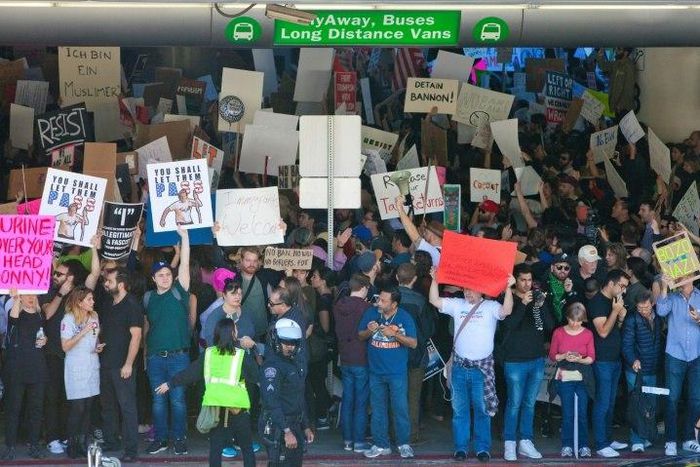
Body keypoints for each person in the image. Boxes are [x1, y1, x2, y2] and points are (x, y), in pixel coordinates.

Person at [429, 272, 515, 462]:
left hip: (481, 370)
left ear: (482, 291)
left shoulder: (491, 307)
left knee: (482, 411)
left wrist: (508, 287)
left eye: (472, 290)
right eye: (466, 289)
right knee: (460, 411)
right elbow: (434, 300)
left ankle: (482, 448)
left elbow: (506, 311)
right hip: (459, 367)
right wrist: (435, 279)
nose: (468, 293)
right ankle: (461, 448)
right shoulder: (457, 305)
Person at [156, 318, 257, 467]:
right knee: (247, 448)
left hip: (215, 408)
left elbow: (191, 373)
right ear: (233, 334)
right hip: (237, 408)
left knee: (215, 449)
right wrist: (253, 348)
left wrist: (170, 383)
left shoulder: (208, 354)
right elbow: (255, 375)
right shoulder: (241, 355)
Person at [500, 263, 554, 461]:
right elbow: (509, 325)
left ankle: (526, 441)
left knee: (530, 403)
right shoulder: (508, 298)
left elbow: (550, 326)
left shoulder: (537, 299)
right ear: (515, 281)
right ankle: (509, 442)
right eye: (522, 280)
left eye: (530, 280)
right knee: (514, 403)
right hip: (514, 360)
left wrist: (540, 306)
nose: (527, 284)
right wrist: (522, 303)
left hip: (537, 359)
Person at [144, 227, 191, 456]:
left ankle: (179, 438)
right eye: (160, 275)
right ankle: (161, 439)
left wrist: (185, 238)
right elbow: (146, 329)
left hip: (178, 357)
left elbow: (184, 265)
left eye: (168, 274)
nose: (165, 277)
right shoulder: (148, 298)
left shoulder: (179, 291)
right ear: (153, 278)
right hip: (155, 358)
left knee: (178, 400)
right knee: (158, 401)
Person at [358, 285, 417, 459]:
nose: (379, 303)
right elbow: (360, 336)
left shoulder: (405, 317)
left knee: (400, 409)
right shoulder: (371, 313)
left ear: (394, 304)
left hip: (397, 372)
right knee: (378, 409)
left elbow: (413, 343)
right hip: (375, 371)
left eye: (383, 301)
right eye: (379, 299)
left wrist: (394, 334)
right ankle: (381, 444)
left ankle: (403, 444)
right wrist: (370, 330)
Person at [97, 267, 144, 462]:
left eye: (109, 281)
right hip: (106, 362)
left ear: (121, 284)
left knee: (127, 407)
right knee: (107, 406)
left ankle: (131, 449)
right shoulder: (108, 303)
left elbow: (136, 336)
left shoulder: (132, 304)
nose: (106, 284)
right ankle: (111, 441)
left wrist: (128, 364)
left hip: (122, 365)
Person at [259, 318, 315, 467]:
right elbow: (271, 401)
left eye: (294, 343)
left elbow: (298, 396)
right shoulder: (272, 366)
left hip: (294, 423)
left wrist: (305, 426)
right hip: (278, 426)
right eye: (286, 342)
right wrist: (286, 431)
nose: (290, 347)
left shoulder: (294, 363)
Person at [1, 290, 49, 460]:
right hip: (17, 368)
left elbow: (43, 334)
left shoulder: (39, 314)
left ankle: (34, 445)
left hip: (37, 366)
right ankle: (10, 446)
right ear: (21, 296)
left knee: (36, 409)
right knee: (13, 408)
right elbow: (12, 320)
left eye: (33, 295)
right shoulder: (14, 312)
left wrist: (45, 340)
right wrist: (16, 299)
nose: (31, 298)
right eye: (27, 295)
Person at [656, 273, 700, 456]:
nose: (681, 278)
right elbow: (660, 311)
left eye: (685, 275)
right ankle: (671, 440)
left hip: (697, 354)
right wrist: (664, 287)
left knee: (695, 399)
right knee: (672, 399)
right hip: (675, 354)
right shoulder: (672, 298)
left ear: (692, 276)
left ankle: (689, 439)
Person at [588, 269, 630, 457]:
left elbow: (614, 330)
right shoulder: (597, 302)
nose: (624, 290)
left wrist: (620, 319)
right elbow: (603, 332)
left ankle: (608, 438)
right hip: (602, 360)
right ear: (611, 284)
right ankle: (601, 443)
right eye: (622, 286)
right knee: (602, 403)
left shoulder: (615, 302)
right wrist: (615, 312)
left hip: (614, 359)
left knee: (611, 403)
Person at [61, 286, 103, 459]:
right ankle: (72, 444)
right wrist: (83, 331)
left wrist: (97, 347)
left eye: (92, 299)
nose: (93, 302)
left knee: (88, 407)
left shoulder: (94, 316)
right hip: (76, 366)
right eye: (89, 299)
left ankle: (82, 443)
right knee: (78, 407)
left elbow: (95, 338)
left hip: (92, 364)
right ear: (79, 302)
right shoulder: (68, 319)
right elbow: (65, 346)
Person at [549, 303, 595, 458]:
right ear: (567, 317)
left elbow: (591, 358)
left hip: (583, 376)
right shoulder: (558, 332)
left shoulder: (588, 334)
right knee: (567, 413)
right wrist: (564, 356)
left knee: (582, 413)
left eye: (579, 321)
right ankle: (567, 445)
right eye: (573, 320)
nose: (576, 324)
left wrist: (579, 359)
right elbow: (552, 355)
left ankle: (584, 445)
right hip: (565, 376)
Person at [396, 262, 434, 444]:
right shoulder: (420, 300)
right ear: (415, 279)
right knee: (413, 395)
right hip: (416, 354)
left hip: (392, 354)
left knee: (394, 394)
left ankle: (393, 432)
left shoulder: (388, 297)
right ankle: (411, 435)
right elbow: (428, 329)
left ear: (397, 277)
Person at [333, 274, 371, 453]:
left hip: (345, 357)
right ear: (363, 288)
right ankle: (359, 441)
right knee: (361, 401)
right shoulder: (366, 307)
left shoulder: (338, 305)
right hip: (361, 357)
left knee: (348, 399)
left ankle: (347, 440)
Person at [621, 290, 662, 452]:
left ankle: (645, 436)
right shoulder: (632, 319)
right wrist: (633, 360)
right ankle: (636, 439)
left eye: (646, 307)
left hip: (652, 368)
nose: (644, 311)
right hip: (635, 370)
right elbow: (626, 344)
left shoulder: (658, 317)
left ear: (652, 303)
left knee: (650, 405)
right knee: (636, 404)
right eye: (640, 308)